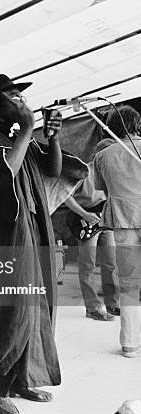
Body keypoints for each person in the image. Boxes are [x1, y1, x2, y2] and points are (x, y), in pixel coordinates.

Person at [0, 74, 87, 414]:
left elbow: (52, 168)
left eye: (22, 97)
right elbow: (4, 175)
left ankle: (21, 380)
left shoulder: (22, 139)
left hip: (36, 234)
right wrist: (28, 127)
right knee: (16, 311)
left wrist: (52, 137)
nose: (22, 103)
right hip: (7, 241)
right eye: (14, 97)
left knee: (40, 309)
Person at [94, 105, 141, 358]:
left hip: (123, 221)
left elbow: (100, 188)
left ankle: (130, 344)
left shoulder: (103, 155)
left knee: (130, 285)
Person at [64, 159, 119, 321]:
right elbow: (66, 196)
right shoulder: (83, 171)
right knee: (88, 264)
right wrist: (84, 214)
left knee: (111, 264)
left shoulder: (111, 171)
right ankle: (92, 307)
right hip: (87, 221)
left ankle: (112, 304)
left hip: (105, 222)